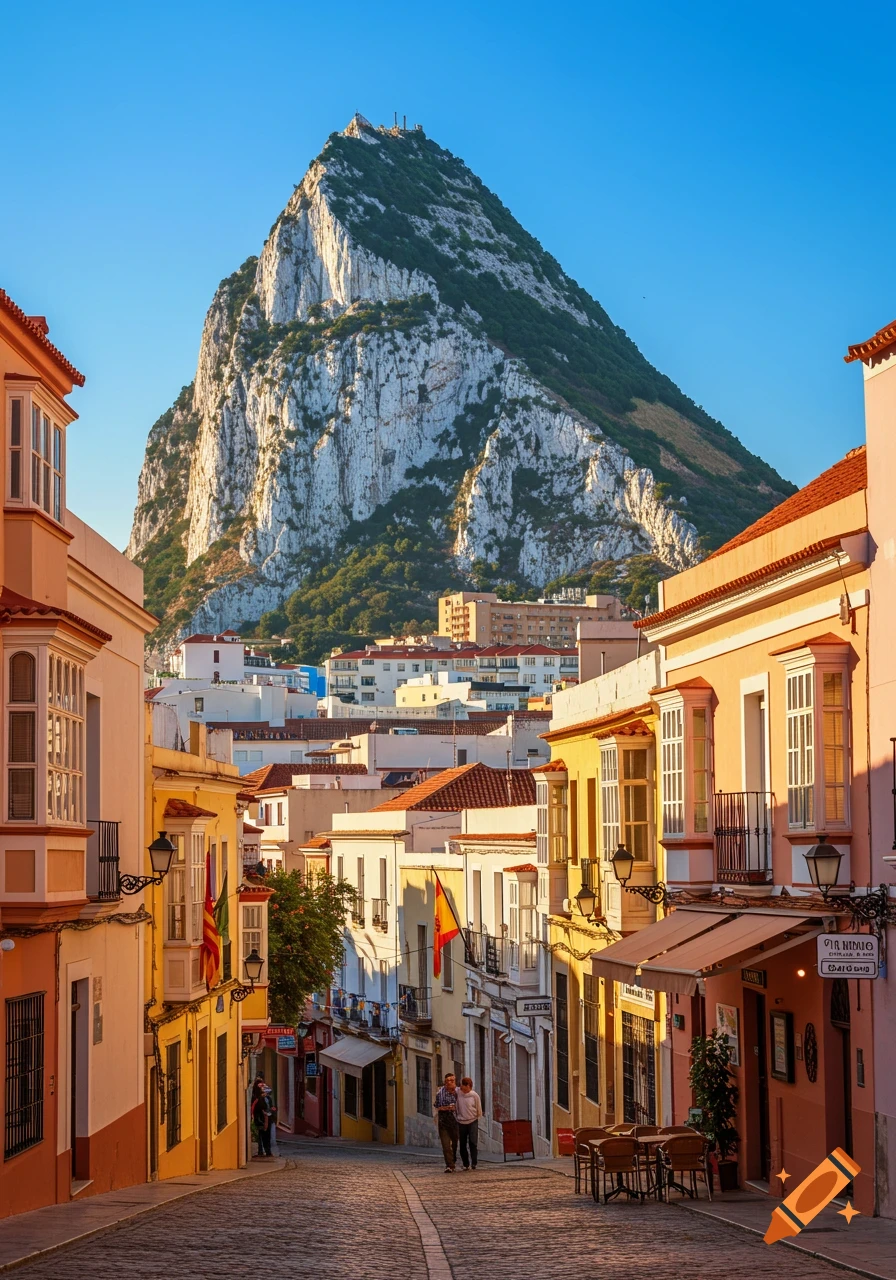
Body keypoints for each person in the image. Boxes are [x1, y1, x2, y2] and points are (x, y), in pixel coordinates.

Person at [455, 1076, 483, 1171]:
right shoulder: (458, 1093)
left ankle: (474, 1162)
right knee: (462, 1144)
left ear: (469, 1086)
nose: (462, 1087)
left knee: (473, 1142)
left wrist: (476, 1117)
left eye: (464, 1086)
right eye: (462, 1085)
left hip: (472, 1121)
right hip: (461, 1122)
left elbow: (479, 1109)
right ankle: (466, 1164)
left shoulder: (474, 1095)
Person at [433, 1072, 459, 1172]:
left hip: (455, 1120)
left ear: (455, 1081)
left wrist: (455, 1108)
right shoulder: (440, 1093)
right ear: (445, 1082)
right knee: (446, 1145)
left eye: (451, 1081)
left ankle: (453, 1159)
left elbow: (462, 1106)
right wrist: (446, 1108)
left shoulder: (458, 1092)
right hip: (443, 1120)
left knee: (455, 1143)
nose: (449, 1083)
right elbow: (437, 1107)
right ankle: (449, 1165)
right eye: (447, 1081)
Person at [252, 1084, 272, 1157]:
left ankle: (267, 1151)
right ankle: (261, 1151)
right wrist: (259, 1120)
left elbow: (271, 1107)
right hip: (261, 1120)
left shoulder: (268, 1099)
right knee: (261, 1136)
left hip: (267, 1119)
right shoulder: (258, 1100)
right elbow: (257, 1111)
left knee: (267, 1136)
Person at [263, 1084, 279, 1154]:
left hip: (270, 1117)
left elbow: (271, 1106)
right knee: (265, 1134)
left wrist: (272, 1109)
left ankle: (268, 1149)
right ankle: (266, 1149)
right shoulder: (262, 1099)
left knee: (269, 1134)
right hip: (265, 1118)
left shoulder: (269, 1099)